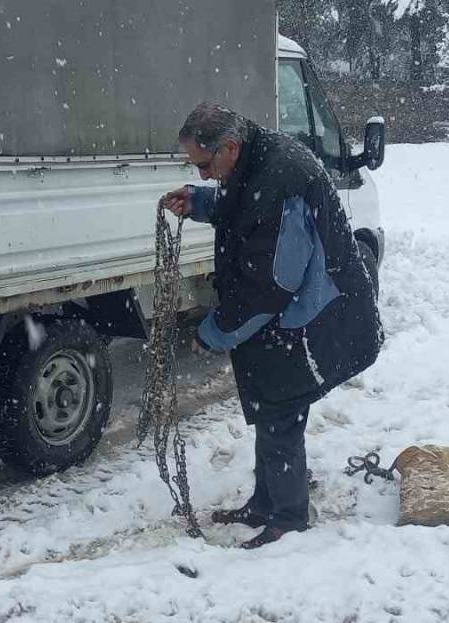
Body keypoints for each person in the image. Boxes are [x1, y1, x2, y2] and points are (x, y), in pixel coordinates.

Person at [161, 103, 383, 549]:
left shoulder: (279, 178)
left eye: (205, 166)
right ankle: (266, 502)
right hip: (294, 312)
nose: (203, 175)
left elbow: (272, 284)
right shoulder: (256, 158)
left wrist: (214, 332)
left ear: (229, 147)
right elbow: (248, 208)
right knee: (270, 406)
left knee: (281, 409)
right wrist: (202, 204)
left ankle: (288, 518)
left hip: (314, 314)